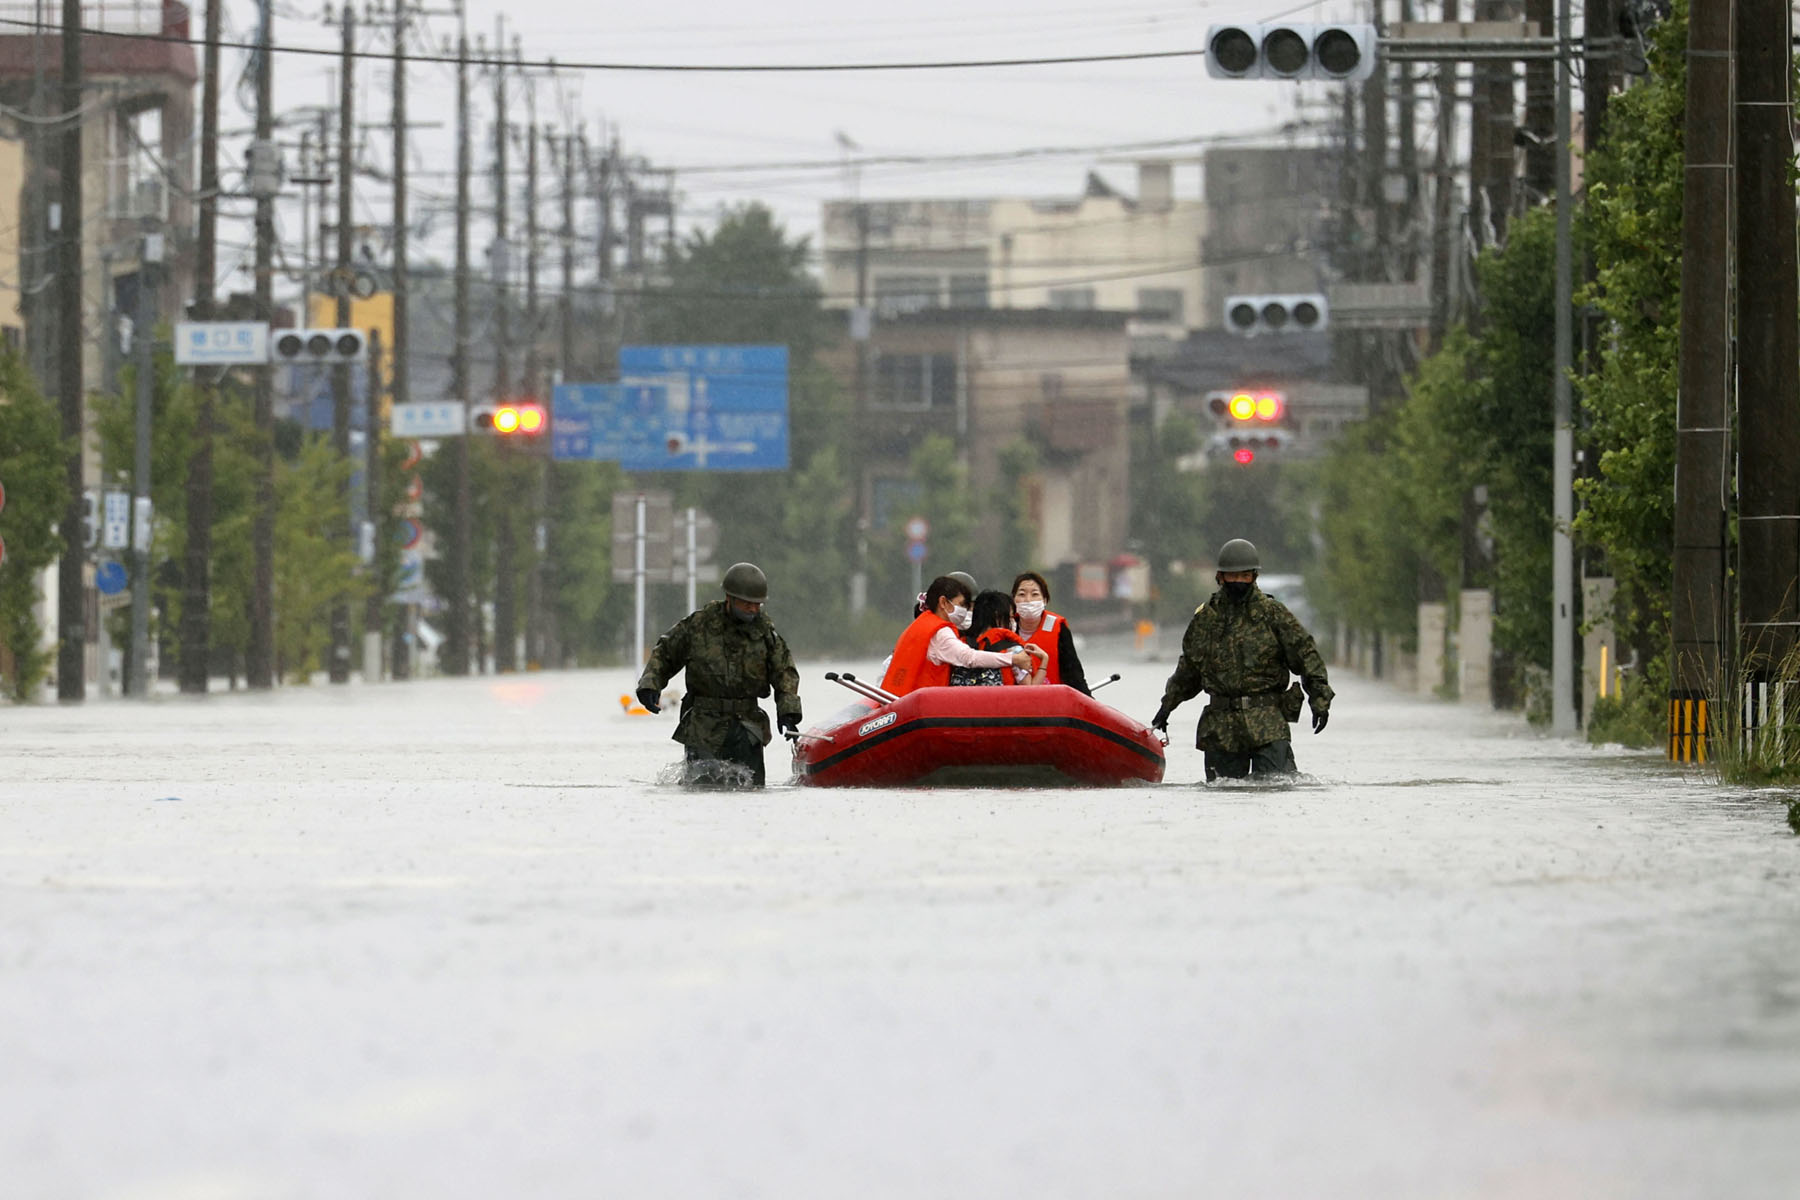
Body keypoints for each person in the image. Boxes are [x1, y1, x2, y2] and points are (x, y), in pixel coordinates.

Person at [1151, 538, 1333, 782]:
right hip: (1221, 727)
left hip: (1266, 721)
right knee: (1223, 796)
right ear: (1220, 577)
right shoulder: (1207, 619)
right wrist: (1167, 706)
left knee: (1275, 787)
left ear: (1254, 577)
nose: (1239, 582)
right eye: (1233, 576)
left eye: (1245, 576)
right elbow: (1190, 670)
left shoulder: (1272, 614)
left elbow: (1305, 654)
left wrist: (1319, 698)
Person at [635, 561, 801, 788]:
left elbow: (784, 672)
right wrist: (650, 685)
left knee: (751, 790)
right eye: (746, 603)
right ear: (729, 599)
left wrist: (788, 712)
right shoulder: (699, 625)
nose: (753, 609)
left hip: (747, 727)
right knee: (701, 788)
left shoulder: (765, 634)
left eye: (757, 604)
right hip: (704, 725)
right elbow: (666, 652)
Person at [882, 575, 1036, 696]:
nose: (965, 610)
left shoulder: (922, 624)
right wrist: (1013, 659)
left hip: (905, 698)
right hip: (920, 708)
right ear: (944, 602)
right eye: (962, 605)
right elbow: (969, 658)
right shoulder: (940, 633)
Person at [1011, 571, 1091, 695]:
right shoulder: (1005, 627)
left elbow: (1073, 673)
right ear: (1013, 600)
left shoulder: (1058, 627)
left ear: (1045, 600)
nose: (1028, 600)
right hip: (1012, 700)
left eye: (1035, 594)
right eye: (1021, 594)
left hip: (1051, 702)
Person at [950, 590, 1047, 686]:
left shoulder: (958, 645)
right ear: (998, 616)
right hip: (1000, 701)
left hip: (964, 700)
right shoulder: (1014, 651)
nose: (1013, 622)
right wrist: (1044, 661)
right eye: (1010, 617)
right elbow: (1030, 689)